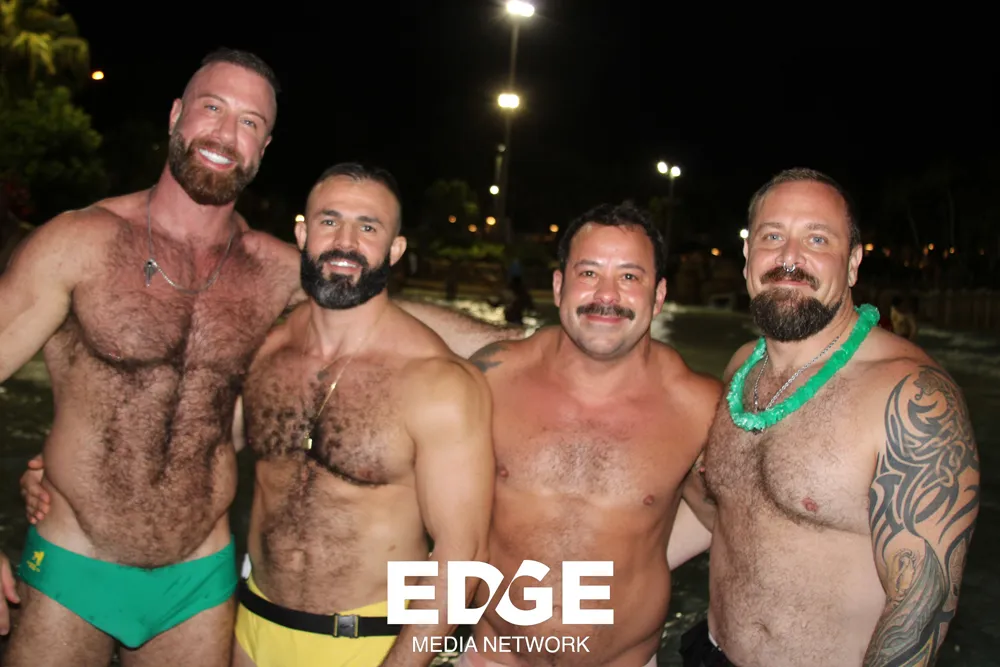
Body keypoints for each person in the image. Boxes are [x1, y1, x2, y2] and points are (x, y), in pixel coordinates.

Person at [0, 48, 305, 666]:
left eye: (250, 122)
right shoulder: (78, 242)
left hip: (199, 579)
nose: (226, 133)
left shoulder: (274, 272)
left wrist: (514, 340)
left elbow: (390, 325)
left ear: (264, 148)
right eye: (212, 108)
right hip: (72, 564)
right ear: (175, 116)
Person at [681, 168, 980, 666]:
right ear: (747, 256)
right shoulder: (741, 368)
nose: (789, 258)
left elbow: (919, 608)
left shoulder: (911, 397)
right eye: (772, 237)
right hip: (709, 651)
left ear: (854, 263)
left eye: (817, 239)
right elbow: (728, 518)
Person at [230, 163, 494, 667]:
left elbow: (464, 554)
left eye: (368, 227)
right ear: (302, 234)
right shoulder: (265, 353)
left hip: (370, 645)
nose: (345, 242)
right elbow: (201, 459)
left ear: (394, 249)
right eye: (329, 221)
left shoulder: (437, 382)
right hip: (252, 628)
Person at [458, 202, 720, 667]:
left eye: (629, 276)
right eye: (589, 273)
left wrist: (643, 552)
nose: (607, 295)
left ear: (659, 295)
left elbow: (734, 522)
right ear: (559, 285)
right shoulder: (493, 378)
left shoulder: (699, 408)